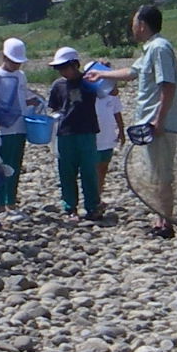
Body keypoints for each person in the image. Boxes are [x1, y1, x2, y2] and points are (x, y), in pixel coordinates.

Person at [92, 4, 177, 237]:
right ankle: (158, 219)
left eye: (134, 23)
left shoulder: (160, 48)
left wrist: (159, 120)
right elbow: (133, 73)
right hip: (148, 122)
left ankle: (166, 225)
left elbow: (168, 85)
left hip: (157, 123)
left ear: (142, 25)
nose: (132, 27)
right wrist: (102, 74)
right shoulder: (150, 48)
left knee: (162, 173)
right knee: (153, 171)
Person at [46, 46, 102, 221]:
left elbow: (110, 91)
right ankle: (70, 207)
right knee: (66, 172)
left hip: (87, 131)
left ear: (75, 65)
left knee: (89, 171)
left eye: (64, 67)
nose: (62, 72)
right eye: (59, 69)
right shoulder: (57, 85)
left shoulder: (89, 82)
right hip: (65, 133)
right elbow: (54, 108)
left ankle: (92, 206)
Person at [0, 37, 33, 211]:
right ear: (4, 57)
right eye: (13, 61)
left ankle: (11, 199)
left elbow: (23, 98)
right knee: (2, 164)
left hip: (20, 126)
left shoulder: (21, 76)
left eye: (19, 62)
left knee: (16, 165)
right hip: (3, 129)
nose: (16, 65)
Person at [88, 59, 124, 196]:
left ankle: (99, 193)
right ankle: (93, 196)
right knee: (93, 167)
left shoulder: (111, 94)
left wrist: (121, 130)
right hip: (94, 136)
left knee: (103, 167)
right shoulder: (90, 93)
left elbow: (117, 112)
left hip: (108, 136)